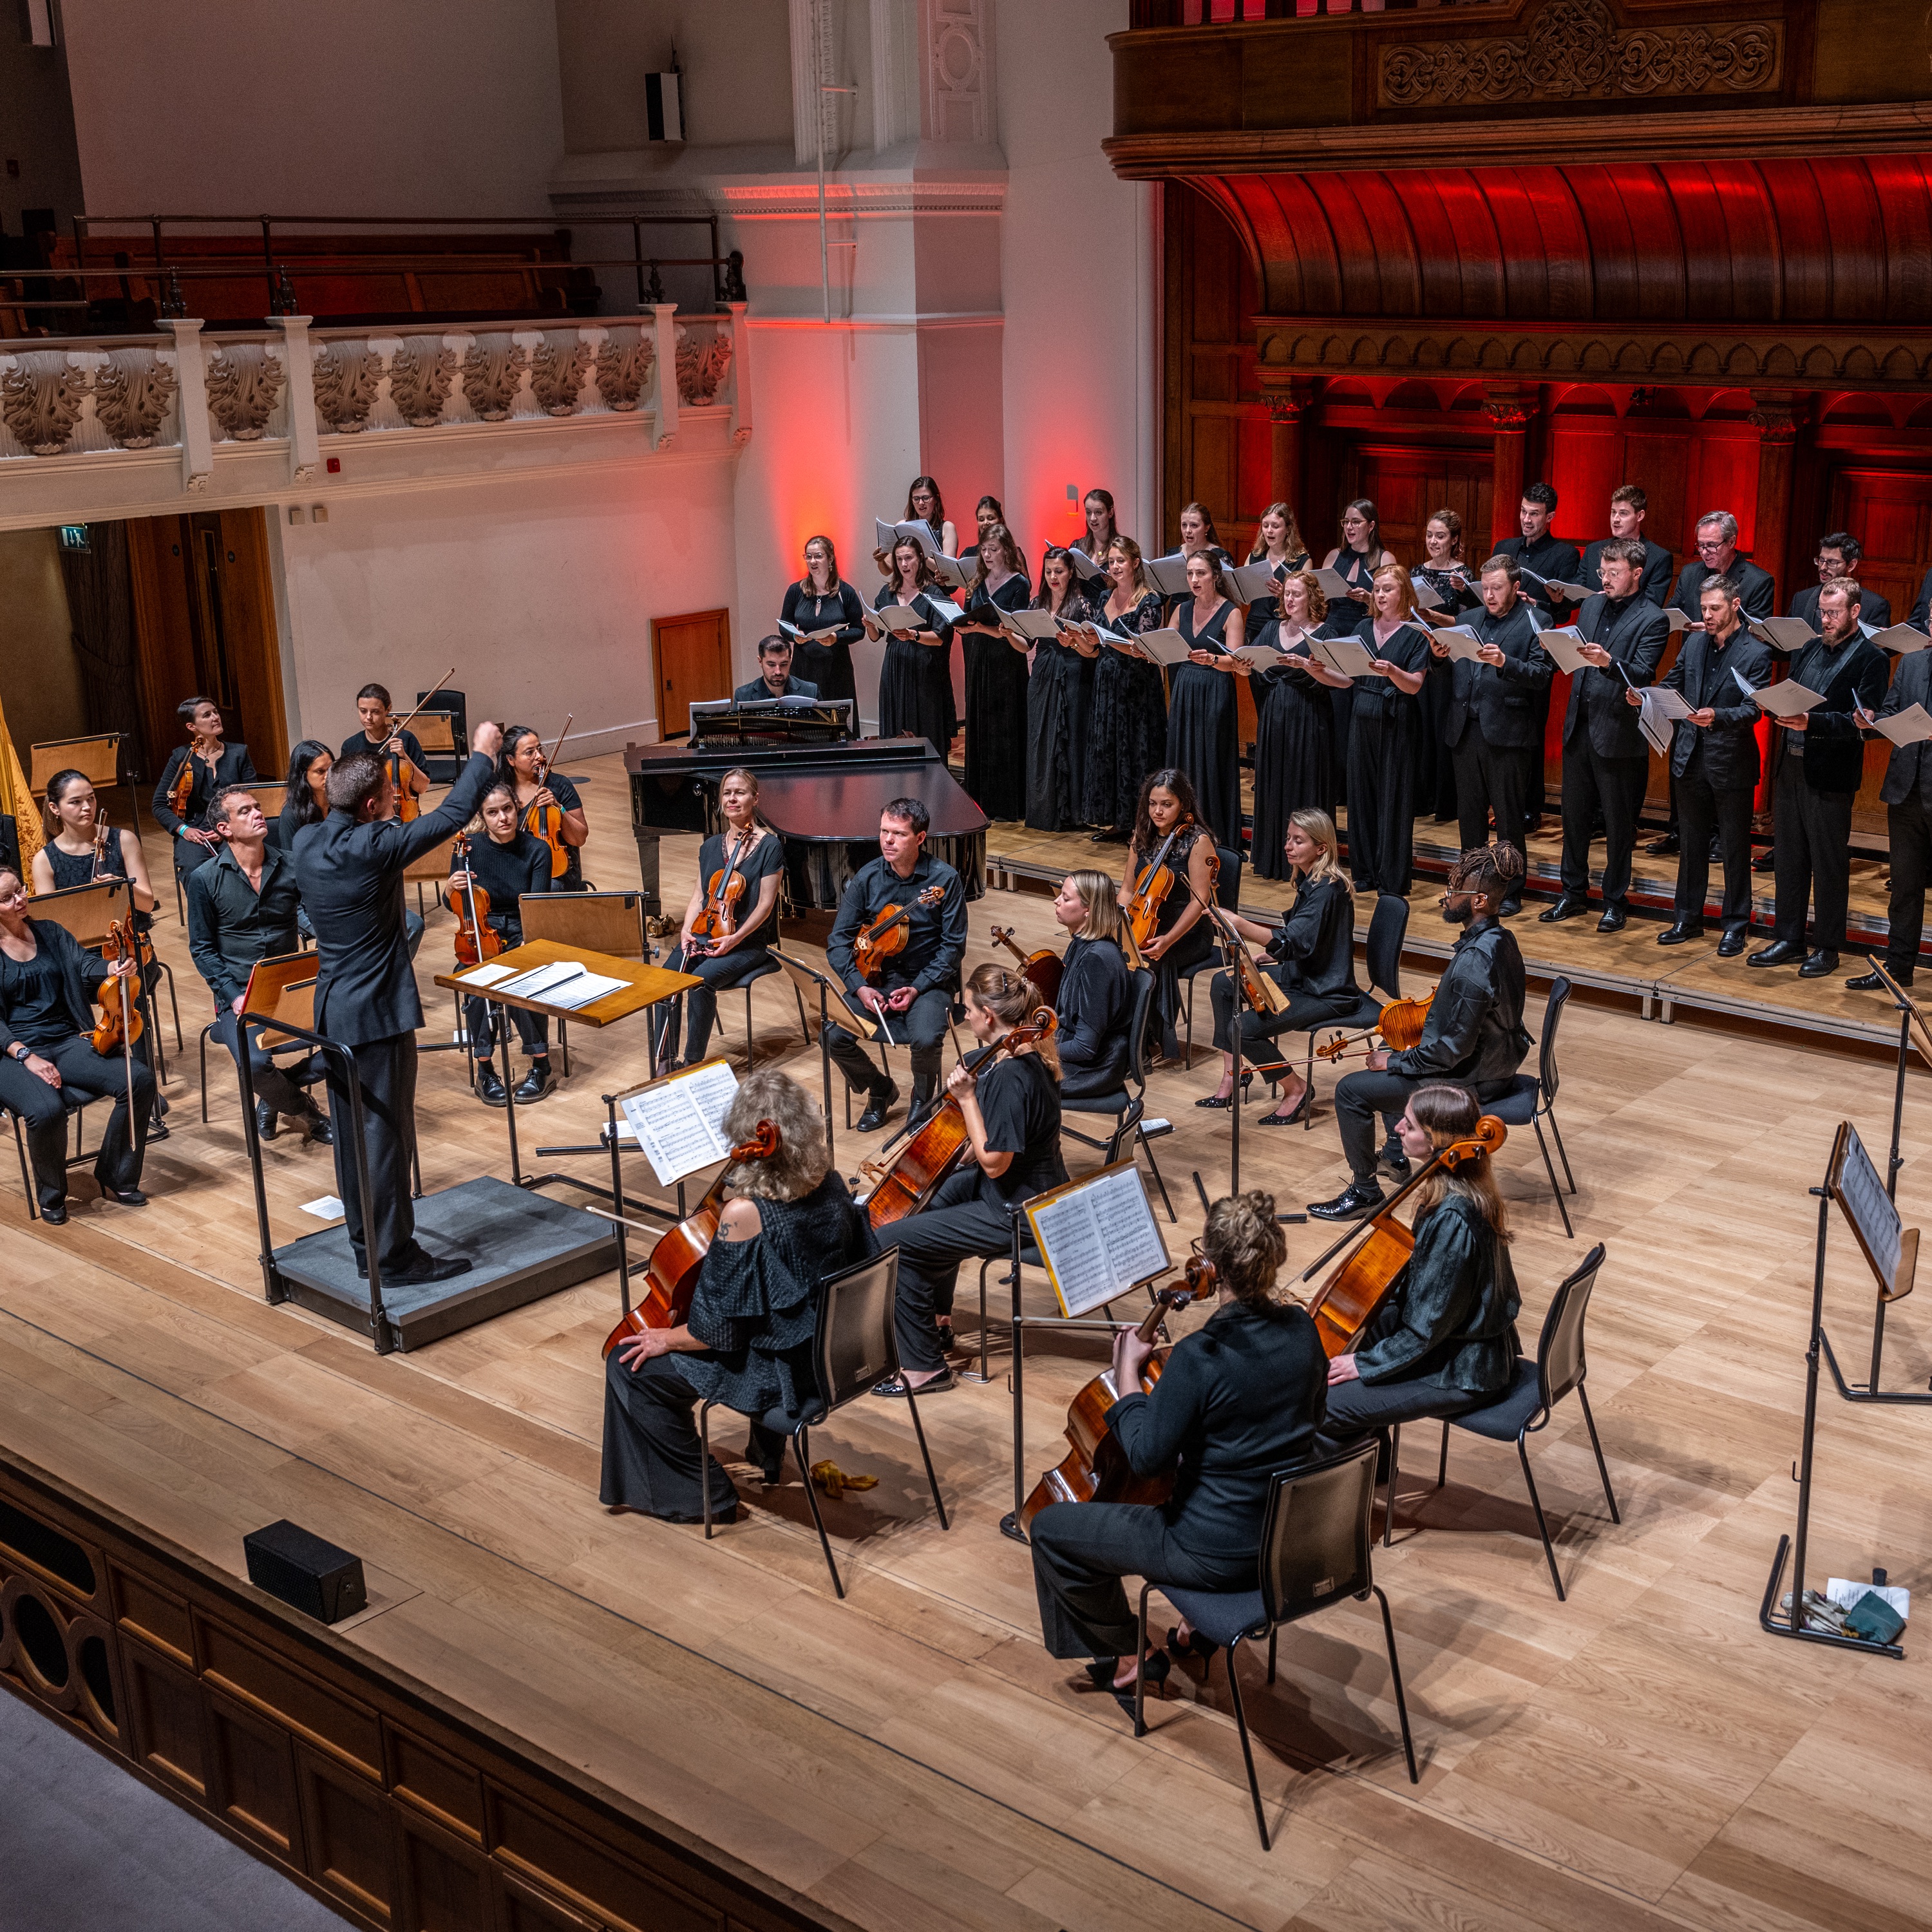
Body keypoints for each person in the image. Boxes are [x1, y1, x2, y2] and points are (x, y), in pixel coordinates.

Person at [1029, 1188, 1328, 1716]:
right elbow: (1314, 1420)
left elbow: (1145, 1458)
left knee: (1053, 1530)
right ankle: (1195, 1628)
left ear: (1210, 1266)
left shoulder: (1200, 1357)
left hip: (1213, 1553)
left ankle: (1127, 1655)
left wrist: (1127, 1377)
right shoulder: (1304, 1331)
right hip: (1285, 1542)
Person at [600, 1070, 872, 1521]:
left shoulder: (745, 1214)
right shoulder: (831, 1183)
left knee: (630, 1368)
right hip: (835, 1353)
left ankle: (704, 1495)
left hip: (784, 1372)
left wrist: (665, 1339)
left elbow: (717, 1333)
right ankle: (765, 1455)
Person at [295, 720, 504, 1286]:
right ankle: (395, 1259)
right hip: (377, 1014)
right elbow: (450, 816)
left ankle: (366, 1245)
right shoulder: (373, 845)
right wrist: (482, 756)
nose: (398, 805)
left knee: (352, 1138)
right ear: (369, 804)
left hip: (333, 1008)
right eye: (390, 798)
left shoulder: (307, 841)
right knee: (385, 1137)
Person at [871, 965, 1066, 1396]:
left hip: (1018, 1208)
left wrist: (966, 1099)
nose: (963, 1011)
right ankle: (937, 1320)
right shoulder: (1017, 1057)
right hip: (1021, 1188)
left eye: (968, 1005)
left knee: (894, 1242)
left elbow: (994, 1161)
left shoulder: (1013, 1075)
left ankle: (924, 1369)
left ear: (988, 1017)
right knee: (931, 1202)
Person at [1310, 841, 1531, 1221]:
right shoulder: (1501, 939)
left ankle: (1364, 1191)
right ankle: (1396, 1157)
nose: (1445, 898)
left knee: (1351, 1090)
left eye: (1453, 892)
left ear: (1478, 900)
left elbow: (1453, 1050)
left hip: (1473, 1081)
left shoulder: (1475, 961)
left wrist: (1395, 1061)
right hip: (1497, 1063)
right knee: (1391, 1044)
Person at [1318, 1082, 1522, 1454]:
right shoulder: (1460, 1190)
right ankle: (1368, 1473)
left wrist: (1366, 1363)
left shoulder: (1453, 1219)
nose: (1397, 1129)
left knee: (1323, 1406)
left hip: (1464, 1368)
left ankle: (1342, 1497)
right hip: (1458, 1344)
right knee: (1341, 1353)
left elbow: (1426, 1328)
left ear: (1434, 1142)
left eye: (1408, 1126)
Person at [1746, 582, 1889, 978]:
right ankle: (1789, 939)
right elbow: (1795, 697)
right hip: (1791, 767)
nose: (1825, 621)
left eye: (1834, 614)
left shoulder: (1871, 659)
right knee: (1790, 859)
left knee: (1828, 865)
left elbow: (1866, 724)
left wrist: (1813, 722)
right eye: (1822, 613)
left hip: (1830, 775)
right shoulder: (1809, 648)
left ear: (1855, 612)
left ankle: (1828, 946)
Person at [0, 864, 153, 1223]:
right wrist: (26, 1056)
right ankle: (52, 1194)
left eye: (20, 890)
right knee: (47, 1110)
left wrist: (112, 969)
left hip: (64, 1040)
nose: (20, 899)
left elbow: (83, 966)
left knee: (139, 1079)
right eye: (7, 898)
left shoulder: (50, 933)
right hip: (10, 1054)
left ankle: (116, 1174)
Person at [187, 786, 332, 1146]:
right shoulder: (204, 879)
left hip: (291, 987)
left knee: (353, 1040)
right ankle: (305, 1111)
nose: (257, 814)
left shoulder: (292, 864)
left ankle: (275, 1095)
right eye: (245, 811)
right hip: (240, 994)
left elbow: (313, 915)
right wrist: (233, 996)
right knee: (253, 1066)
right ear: (224, 829)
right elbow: (202, 949)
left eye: (258, 808)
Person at [1200, 810, 1359, 1126]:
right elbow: (1307, 942)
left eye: (1298, 840)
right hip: (1302, 974)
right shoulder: (1310, 880)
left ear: (1322, 848)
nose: (1288, 845)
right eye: (1288, 838)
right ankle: (1234, 1074)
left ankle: (1296, 1088)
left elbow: (1291, 943)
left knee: (1241, 1029)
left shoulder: (1328, 890)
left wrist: (1240, 923)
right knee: (1223, 983)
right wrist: (1272, 956)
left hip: (1325, 991)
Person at [1541, 537, 1669, 932]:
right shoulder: (1593, 604)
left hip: (1618, 733)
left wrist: (1610, 662)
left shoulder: (1654, 618)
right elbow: (1578, 653)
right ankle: (1572, 894)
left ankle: (1615, 900)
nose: (1607, 579)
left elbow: (1644, 672)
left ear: (1636, 573)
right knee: (1574, 818)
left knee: (1617, 825)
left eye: (1614, 573)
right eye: (1603, 572)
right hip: (1580, 726)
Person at [822, 797, 967, 1130]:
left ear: (920, 838)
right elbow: (838, 942)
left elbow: (953, 947)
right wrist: (859, 988)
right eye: (884, 831)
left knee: (927, 1039)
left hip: (927, 981)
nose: (887, 840)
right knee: (831, 1034)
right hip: (875, 979)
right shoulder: (867, 878)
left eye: (898, 834)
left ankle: (922, 1100)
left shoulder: (945, 880)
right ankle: (880, 1089)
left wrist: (917, 988)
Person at [1651, 576, 1774, 955]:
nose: (1707, 616)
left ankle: (1736, 924)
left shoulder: (1756, 652)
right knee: (1691, 845)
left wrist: (1716, 715)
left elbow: (1753, 709)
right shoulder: (1694, 645)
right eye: (1703, 608)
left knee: (1736, 848)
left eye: (1715, 609)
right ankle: (1687, 918)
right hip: (1689, 758)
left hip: (1730, 762)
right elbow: (1673, 683)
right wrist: (1646, 697)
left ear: (1735, 606)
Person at [1647, 510, 1780, 860]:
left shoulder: (1756, 580)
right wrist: (1694, 627)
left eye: (1712, 545)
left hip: (1735, 667)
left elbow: (1759, 629)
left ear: (1732, 542)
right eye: (1700, 545)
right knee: (1687, 757)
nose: (1705, 552)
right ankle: (1682, 832)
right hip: (1698, 658)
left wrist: (1725, 627)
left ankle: (1722, 837)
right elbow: (1674, 610)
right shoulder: (1692, 574)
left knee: (1725, 785)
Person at [1427, 554, 1552, 911]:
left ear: (1516, 587)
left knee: (1510, 821)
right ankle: (1471, 887)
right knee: (1470, 818)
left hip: (1508, 734)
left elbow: (1542, 676)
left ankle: (1508, 893)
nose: (1490, 595)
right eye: (1485, 588)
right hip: (1465, 730)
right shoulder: (1468, 618)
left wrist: (1505, 663)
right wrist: (1437, 657)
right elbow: (1445, 671)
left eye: (1498, 588)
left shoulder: (1536, 621)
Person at [654, 767, 785, 1070]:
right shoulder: (711, 846)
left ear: (755, 798)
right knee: (664, 982)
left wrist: (734, 939)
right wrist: (686, 931)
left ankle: (692, 1063)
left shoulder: (770, 847)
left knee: (701, 983)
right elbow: (699, 897)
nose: (733, 799)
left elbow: (765, 906)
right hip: (704, 934)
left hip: (746, 944)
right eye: (727, 793)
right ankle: (663, 1060)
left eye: (740, 792)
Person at [449, 779, 554, 1104]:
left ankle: (541, 1065)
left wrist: (526, 944)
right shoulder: (468, 849)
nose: (502, 818)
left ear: (517, 808)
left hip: (525, 931)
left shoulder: (537, 850)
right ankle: (485, 1069)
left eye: (507, 809)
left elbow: (536, 908)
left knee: (517, 979)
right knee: (479, 979)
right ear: (483, 816)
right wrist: (451, 887)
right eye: (492, 813)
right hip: (481, 933)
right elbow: (452, 903)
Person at [1249, 569, 1349, 876]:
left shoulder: (1325, 634)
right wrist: (1244, 666)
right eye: (1287, 594)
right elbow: (1257, 669)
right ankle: (1274, 860)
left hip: (1309, 719)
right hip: (1274, 719)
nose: (1290, 600)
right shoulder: (1269, 629)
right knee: (1274, 782)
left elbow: (1344, 681)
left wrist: (1309, 667)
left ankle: (1309, 864)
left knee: (1304, 782)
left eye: (1297, 594)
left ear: (1312, 598)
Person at [1345, 565, 1433, 898]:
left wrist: (1394, 671)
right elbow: (1346, 680)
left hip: (1398, 719)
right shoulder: (1361, 628)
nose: (1381, 595)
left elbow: (1414, 686)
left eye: (1388, 590)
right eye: (1378, 589)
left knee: (1393, 799)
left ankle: (1392, 878)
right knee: (1362, 796)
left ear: (1404, 594)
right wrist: (1318, 669)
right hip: (1361, 716)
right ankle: (1364, 871)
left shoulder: (1415, 633)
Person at [1850, 643, 1932, 991]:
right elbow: (1890, 710)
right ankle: (1899, 967)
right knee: (1904, 888)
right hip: (1906, 790)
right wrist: (1872, 721)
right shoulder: (1912, 662)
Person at [1122, 769, 1218, 1061]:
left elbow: (1200, 901)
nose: (1158, 811)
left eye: (1166, 804)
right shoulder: (1142, 835)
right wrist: (1120, 924)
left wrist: (1168, 939)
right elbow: (1127, 888)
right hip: (1145, 922)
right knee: (1109, 953)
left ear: (1183, 805)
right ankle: (1116, 1036)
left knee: (1149, 959)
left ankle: (1144, 1042)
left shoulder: (1198, 842)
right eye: (1152, 804)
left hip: (1188, 931)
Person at [1079, 536, 1168, 845]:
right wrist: (1078, 639)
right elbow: (1093, 644)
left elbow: (1143, 649)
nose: (1115, 567)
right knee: (1110, 749)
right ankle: (1117, 821)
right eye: (1111, 562)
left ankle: (1140, 824)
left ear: (1135, 563)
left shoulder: (1150, 600)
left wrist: (1108, 639)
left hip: (1137, 687)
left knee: (1136, 750)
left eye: (1120, 561)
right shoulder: (1104, 595)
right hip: (1107, 684)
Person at [1164, 550, 1247, 851]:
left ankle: (1214, 833)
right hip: (1185, 687)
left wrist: (1213, 659)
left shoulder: (1231, 612)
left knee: (1212, 759)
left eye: (1201, 573)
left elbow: (1235, 662)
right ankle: (1180, 830)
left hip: (1215, 689)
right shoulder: (1181, 609)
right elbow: (1168, 646)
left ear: (1215, 576)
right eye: (1190, 574)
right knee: (1184, 757)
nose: (1195, 580)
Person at [956, 524, 1032, 822]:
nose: (988, 555)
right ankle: (981, 799)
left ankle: (1005, 803)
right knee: (980, 728)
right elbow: (965, 619)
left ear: (1006, 551)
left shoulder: (1019, 584)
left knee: (1005, 729)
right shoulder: (976, 581)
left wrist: (983, 628)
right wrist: (963, 626)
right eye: (984, 550)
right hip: (979, 661)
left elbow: (1015, 630)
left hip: (1006, 664)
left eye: (994, 550)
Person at [1412, 508, 1481, 825]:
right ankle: (1421, 796)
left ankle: (1444, 799)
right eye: (1430, 535)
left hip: (1450, 658)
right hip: (1420, 652)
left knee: (1443, 726)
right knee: (1420, 725)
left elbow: (1468, 622)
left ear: (1454, 540)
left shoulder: (1463, 576)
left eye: (1440, 536)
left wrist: (1435, 617)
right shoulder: (1417, 571)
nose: (1433, 541)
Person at [153, 696, 257, 882]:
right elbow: (159, 804)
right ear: (191, 726)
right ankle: (202, 911)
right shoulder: (181, 757)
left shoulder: (238, 753)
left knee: (233, 867)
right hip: (196, 830)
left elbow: (254, 797)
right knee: (193, 871)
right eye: (207, 715)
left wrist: (228, 828)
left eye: (215, 712)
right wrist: (184, 829)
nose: (215, 717)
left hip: (234, 827)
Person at [868, 535, 956, 757]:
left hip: (923, 669)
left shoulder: (934, 593)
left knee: (925, 728)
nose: (904, 564)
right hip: (895, 667)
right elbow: (875, 635)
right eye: (899, 560)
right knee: (895, 730)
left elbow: (940, 637)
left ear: (920, 558)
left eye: (909, 558)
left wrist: (913, 635)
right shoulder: (887, 593)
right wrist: (869, 623)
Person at [1025, 547, 1092, 832]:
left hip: (1073, 673)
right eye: (1049, 571)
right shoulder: (1036, 603)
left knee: (1071, 738)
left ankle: (1072, 814)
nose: (1053, 577)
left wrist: (1074, 643)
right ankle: (1044, 809)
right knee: (1041, 738)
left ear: (1071, 572)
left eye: (1059, 571)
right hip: (1042, 672)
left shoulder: (1083, 605)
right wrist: (1005, 633)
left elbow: (1093, 651)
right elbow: (1024, 644)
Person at [1051, 870, 1133, 1101]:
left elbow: (1085, 1048)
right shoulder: (1080, 945)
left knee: (988, 1078)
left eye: (1066, 899)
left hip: (1089, 1070)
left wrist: (1033, 1048)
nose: (1057, 901)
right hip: (1068, 1054)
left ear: (1089, 909)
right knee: (979, 1064)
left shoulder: (1097, 960)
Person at [32, 770, 156, 916]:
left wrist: (122, 887)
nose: (87, 807)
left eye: (91, 798)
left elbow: (148, 905)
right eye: (76, 802)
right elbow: (50, 920)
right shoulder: (44, 860)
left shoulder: (125, 840)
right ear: (55, 808)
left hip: (128, 936)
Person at [500, 724, 588, 892]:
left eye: (540, 749)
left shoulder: (560, 785)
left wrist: (559, 808)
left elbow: (579, 839)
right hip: (515, 869)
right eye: (529, 752)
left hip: (558, 874)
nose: (539, 757)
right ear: (510, 760)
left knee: (546, 889)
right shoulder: (501, 792)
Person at [779, 535, 864, 706]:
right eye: (808, 557)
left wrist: (836, 637)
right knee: (806, 720)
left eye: (818, 556)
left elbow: (859, 630)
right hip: (804, 665)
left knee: (837, 718)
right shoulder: (795, 591)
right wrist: (796, 636)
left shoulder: (846, 592)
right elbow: (784, 625)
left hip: (836, 667)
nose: (812, 561)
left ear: (830, 559)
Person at [1495, 481, 1582, 623]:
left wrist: (1534, 604)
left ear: (1550, 517)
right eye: (1524, 511)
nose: (1526, 519)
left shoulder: (1565, 555)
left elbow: (1562, 616)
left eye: (1534, 514)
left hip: (1534, 637)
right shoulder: (1503, 547)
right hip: (1497, 629)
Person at [339, 684, 430, 820]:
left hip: (405, 816)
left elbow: (423, 787)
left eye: (375, 712)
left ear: (388, 709)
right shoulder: (350, 746)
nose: (368, 717)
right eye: (363, 711)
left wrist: (404, 757)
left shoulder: (406, 739)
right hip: (366, 822)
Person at [1580, 484, 1674, 608]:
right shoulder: (1593, 550)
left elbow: (1651, 606)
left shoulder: (1659, 558)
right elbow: (1577, 595)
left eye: (1623, 513)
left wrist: (1607, 601)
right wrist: (1558, 599)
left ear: (1640, 516)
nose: (1616, 519)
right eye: (1613, 512)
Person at [1790, 534, 1893, 634]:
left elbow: (1878, 649)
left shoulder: (1874, 605)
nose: (1823, 568)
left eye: (1832, 562)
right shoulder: (1801, 599)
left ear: (1851, 565)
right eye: (1821, 560)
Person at [1242, 500, 1310, 626]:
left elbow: (1306, 602)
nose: (1269, 531)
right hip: (1254, 623)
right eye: (1265, 525)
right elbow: (1244, 592)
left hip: (1283, 624)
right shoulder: (1255, 556)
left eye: (1275, 526)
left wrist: (1283, 595)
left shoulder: (1302, 561)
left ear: (1288, 529)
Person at [873, 475, 956, 574]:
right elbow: (887, 570)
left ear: (936, 499)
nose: (921, 503)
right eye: (916, 499)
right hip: (908, 586)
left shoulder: (947, 528)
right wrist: (881, 560)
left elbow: (949, 573)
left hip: (935, 588)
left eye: (926, 498)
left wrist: (920, 555)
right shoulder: (902, 526)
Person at [278, 741, 332, 855]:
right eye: (320, 771)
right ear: (303, 775)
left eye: (331, 769)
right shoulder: (290, 815)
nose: (329, 776)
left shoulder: (341, 804)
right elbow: (290, 861)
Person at [733, 632, 819, 704]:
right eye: (771, 665)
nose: (778, 671)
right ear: (760, 662)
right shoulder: (743, 696)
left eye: (784, 664)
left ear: (790, 660)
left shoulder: (811, 692)